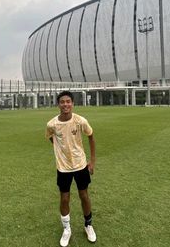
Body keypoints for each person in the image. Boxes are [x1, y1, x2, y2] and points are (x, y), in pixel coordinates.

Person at [46, 91, 96, 246]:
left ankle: (88, 225)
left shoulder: (80, 121)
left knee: (84, 195)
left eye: (68, 101)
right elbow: (50, 137)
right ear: (58, 104)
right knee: (64, 198)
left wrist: (92, 161)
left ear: (73, 104)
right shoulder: (52, 124)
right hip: (63, 168)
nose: (65, 104)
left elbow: (91, 136)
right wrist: (59, 150)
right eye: (62, 101)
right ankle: (67, 229)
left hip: (80, 165)